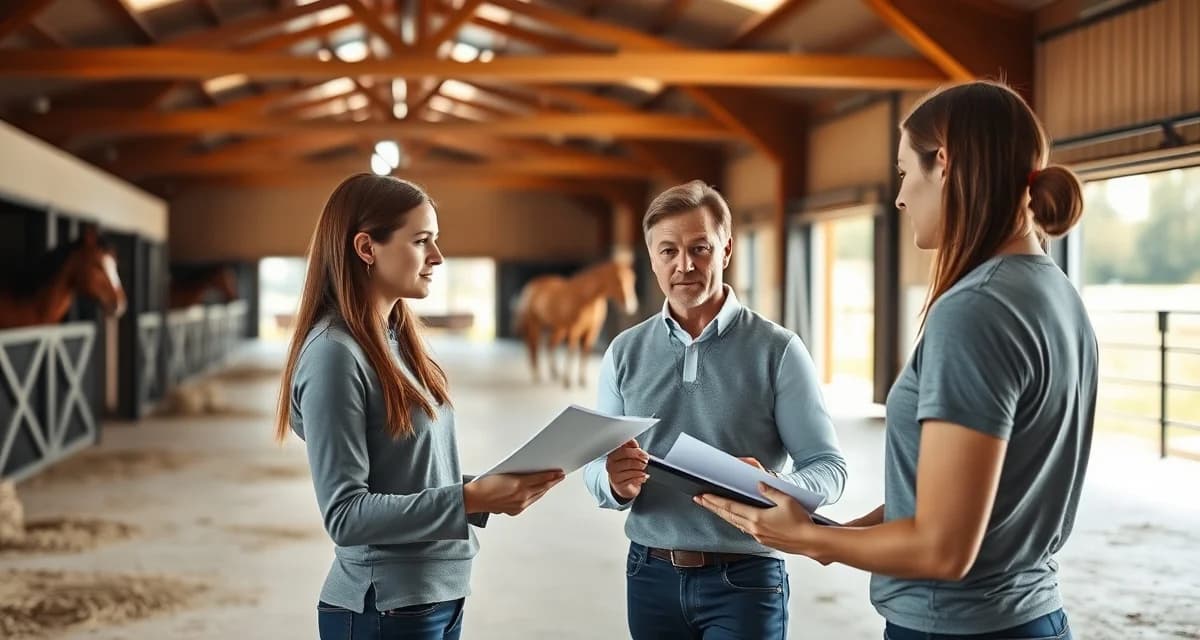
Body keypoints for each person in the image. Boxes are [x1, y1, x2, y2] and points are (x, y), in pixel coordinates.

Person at [698, 80, 1094, 640]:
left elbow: (944, 548)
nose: (901, 196)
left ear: (946, 164)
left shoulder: (974, 312)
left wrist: (811, 542)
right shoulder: (1055, 293)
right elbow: (969, 491)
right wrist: (842, 530)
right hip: (1029, 615)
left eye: (906, 171)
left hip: (955, 627)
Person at [273, 173, 564, 640]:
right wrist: (471, 498)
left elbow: (408, 474)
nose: (438, 257)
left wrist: (488, 490)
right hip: (384, 607)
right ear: (366, 249)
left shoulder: (396, 341)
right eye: (422, 240)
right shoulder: (334, 355)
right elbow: (347, 515)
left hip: (435, 598)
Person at [583, 180, 847, 639]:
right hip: (649, 574)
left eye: (699, 248)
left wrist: (776, 485)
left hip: (745, 577)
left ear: (726, 249)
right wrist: (614, 482)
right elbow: (594, 466)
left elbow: (829, 468)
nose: (684, 265)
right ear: (651, 258)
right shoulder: (624, 351)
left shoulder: (778, 350)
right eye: (668, 251)